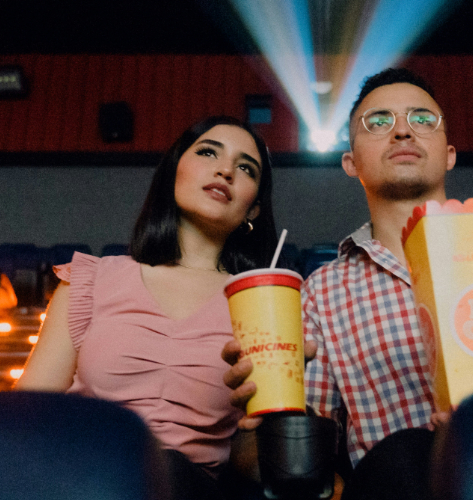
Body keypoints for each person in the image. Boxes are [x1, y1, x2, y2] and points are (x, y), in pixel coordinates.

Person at [222, 68, 473, 499]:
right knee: (409, 452)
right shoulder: (323, 291)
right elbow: (302, 454)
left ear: (448, 154)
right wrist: (263, 411)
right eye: (379, 122)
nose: (403, 132)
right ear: (350, 163)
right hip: (399, 479)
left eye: (422, 119)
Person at [14, 115, 278, 500]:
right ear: (174, 172)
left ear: (253, 209)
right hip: (84, 479)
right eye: (208, 153)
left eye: (245, 168)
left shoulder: (259, 304)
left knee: (165, 467)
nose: (225, 170)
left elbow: (253, 467)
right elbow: (30, 417)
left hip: (194, 488)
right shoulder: (92, 280)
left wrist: (266, 422)